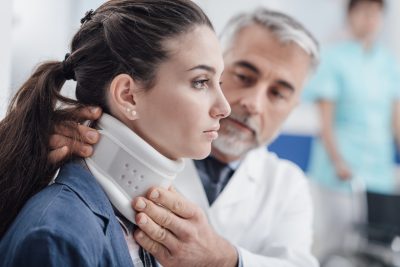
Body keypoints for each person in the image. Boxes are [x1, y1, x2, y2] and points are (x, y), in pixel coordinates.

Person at [50, 8, 321, 267]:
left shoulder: (287, 186)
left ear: (293, 108)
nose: (253, 103)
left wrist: (226, 260)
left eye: (278, 94)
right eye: (243, 76)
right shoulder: (91, 147)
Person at [0, 0, 231, 266]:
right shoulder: (57, 236)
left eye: (220, 82)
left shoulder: (136, 228)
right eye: (201, 82)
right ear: (128, 95)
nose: (224, 108)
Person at [304, 0, 400, 260]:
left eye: (376, 13)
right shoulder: (333, 58)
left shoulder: (388, 63)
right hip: (340, 172)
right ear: (350, 16)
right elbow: (325, 122)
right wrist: (338, 161)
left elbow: (396, 120)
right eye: (364, 12)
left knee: (380, 247)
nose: (370, 19)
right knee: (337, 245)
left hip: (379, 170)